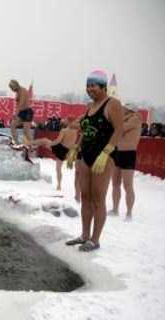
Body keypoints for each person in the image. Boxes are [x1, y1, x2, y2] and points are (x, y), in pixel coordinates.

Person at [65, 70, 124, 252]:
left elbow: (119, 130)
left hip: (103, 156)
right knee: (85, 196)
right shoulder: (90, 106)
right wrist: (76, 148)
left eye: (93, 86)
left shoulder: (112, 104)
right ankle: (84, 235)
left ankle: (95, 239)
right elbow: (86, 130)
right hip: (86, 154)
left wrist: (106, 152)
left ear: (103, 87)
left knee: (98, 198)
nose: (89, 89)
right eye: (88, 85)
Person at [27, 118, 80, 194]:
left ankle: (28, 143)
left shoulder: (64, 131)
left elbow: (57, 141)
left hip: (60, 148)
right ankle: (59, 185)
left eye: (65, 120)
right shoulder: (76, 131)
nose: (63, 121)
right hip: (67, 151)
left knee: (44, 140)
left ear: (68, 122)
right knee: (58, 168)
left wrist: (50, 144)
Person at [109, 106, 142, 220]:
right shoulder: (123, 118)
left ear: (128, 109)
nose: (120, 109)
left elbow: (121, 128)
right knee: (115, 183)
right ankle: (115, 209)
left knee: (127, 185)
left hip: (128, 153)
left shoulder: (135, 118)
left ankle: (129, 213)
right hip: (118, 152)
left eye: (122, 108)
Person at [9, 79, 34, 146]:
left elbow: (21, 103)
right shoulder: (17, 91)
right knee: (12, 125)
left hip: (27, 112)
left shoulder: (22, 90)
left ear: (15, 85)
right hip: (21, 112)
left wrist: (16, 113)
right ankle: (17, 143)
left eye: (12, 88)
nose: (12, 90)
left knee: (26, 131)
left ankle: (32, 146)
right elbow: (18, 104)